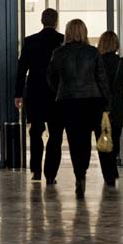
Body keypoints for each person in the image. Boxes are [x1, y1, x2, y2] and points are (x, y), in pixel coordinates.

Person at [47, 19, 111, 198]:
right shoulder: (93, 52)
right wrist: (107, 102)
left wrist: (60, 89)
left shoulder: (58, 53)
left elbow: (50, 77)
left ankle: (79, 175)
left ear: (67, 33)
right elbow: (102, 79)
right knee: (89, 141)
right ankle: (85, 171)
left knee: (75, 141)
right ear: (84, 32)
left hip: (68, 101)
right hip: (92, 100)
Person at [15, 8, 64, 183]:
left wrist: (18, 94)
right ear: (56, 21)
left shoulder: (30, 41)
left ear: (42, 21)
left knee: (35, 132)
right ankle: (50, 174)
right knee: (56, 134)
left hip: (35, 92)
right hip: (57, 94)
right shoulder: (63, 41)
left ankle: (36, 170)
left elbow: (21, 70)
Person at [96, 31, 123, 186]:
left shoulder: (97, 61)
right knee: (115, 138)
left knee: (103, 139)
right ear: (116, 44)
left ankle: (108, 173)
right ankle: (112, 168)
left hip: (101, 106)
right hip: (119, 106)